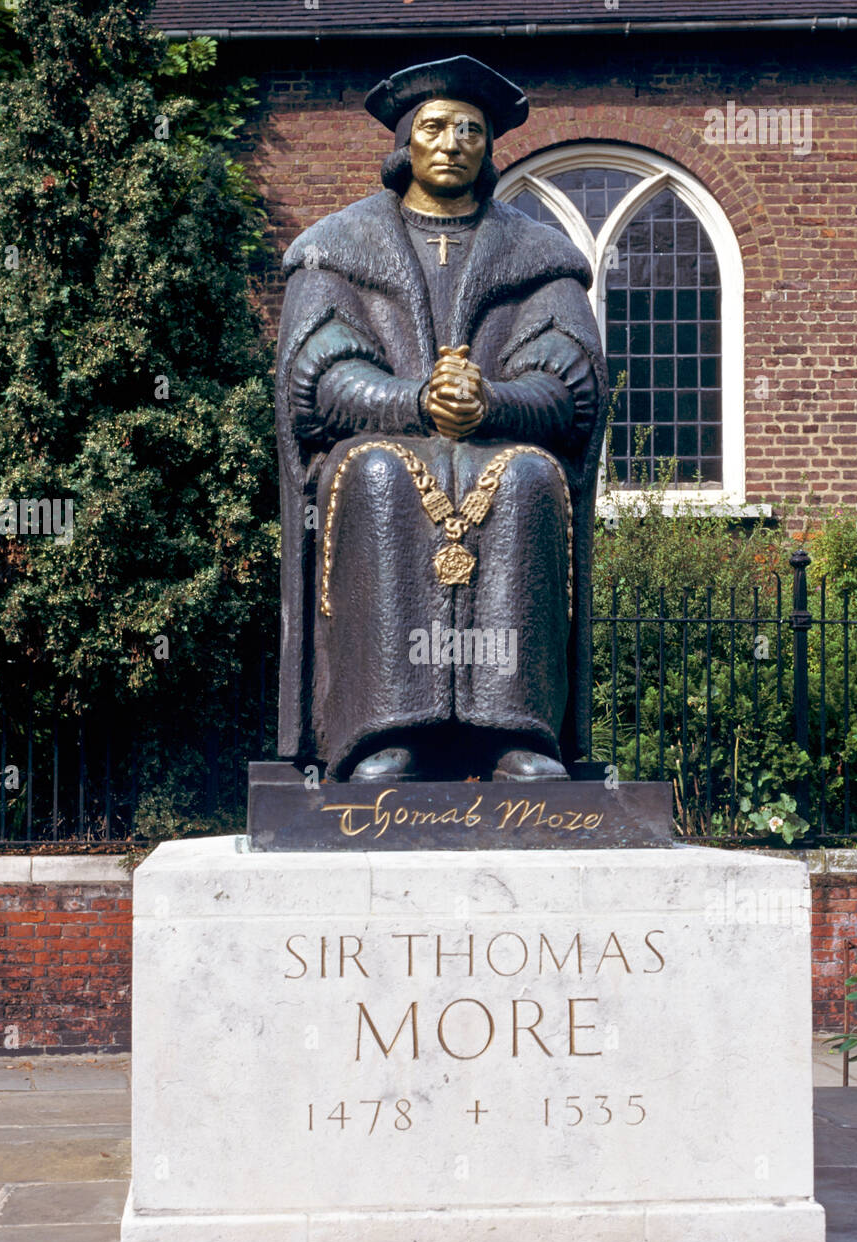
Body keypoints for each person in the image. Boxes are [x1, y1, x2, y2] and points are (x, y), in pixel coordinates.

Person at [275, 55, 608, 783]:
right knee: (379, 471)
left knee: (524, 477)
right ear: (404, 144)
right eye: (434, 126)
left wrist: (494, 400)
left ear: (489, 147)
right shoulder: (337, 249)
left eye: (471, 128)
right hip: (377, 448)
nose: (452, 140)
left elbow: (570, 380)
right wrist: (412, 401)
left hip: (498, 443)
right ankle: (382, 732)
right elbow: (318, 374)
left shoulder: (540, 257)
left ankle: (512, 733)